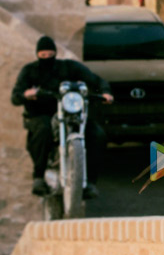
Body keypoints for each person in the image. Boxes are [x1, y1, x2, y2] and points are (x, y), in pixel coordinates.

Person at [11, 35, 114, 199]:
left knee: (97, 134)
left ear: (55, 53)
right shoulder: (29, 71)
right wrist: (26, 94)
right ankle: (38, 177)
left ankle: (90, 183)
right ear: (37, 54)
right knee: (43, 130)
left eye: (50, 54)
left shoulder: (68, 67)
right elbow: (15, 96)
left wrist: (105, 92)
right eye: (43, 55)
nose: (47, 58)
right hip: (40, 114)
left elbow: (94, 79)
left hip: (70, 111)